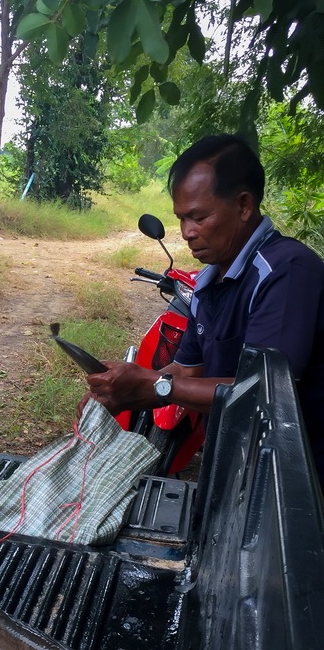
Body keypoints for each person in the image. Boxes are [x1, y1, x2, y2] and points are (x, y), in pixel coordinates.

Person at [85, 133, 324, 488]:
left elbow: (262, 394)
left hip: (294, 481)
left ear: (243, 205)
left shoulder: (287, 272)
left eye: (198, 217)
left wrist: (154, 386)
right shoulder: (208, 282)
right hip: (236, 462)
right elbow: (187, 368)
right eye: (181, 219)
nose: (186, 233)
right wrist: (120, 389)